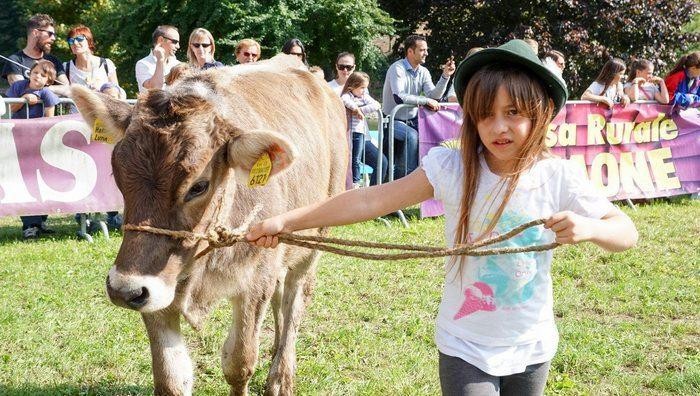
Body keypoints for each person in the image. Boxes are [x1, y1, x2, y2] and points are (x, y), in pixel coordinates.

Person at [246, 39, 638, 395]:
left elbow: (626, 232)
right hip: (465, 345)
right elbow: (368, 200)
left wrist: (589, 228)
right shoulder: (451, 168)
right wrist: (286, 221)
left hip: (532, 346)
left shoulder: (559, 175)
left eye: (513, 112)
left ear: (541, 112)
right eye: (485, 114)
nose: (498, 127)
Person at [382, 35, 455, 179]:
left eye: (426, 50)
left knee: (432, 138)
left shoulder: (423, 71)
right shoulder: (397, 68)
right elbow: (399, 97)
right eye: (422, 50)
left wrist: (445, 76)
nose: (426, 53)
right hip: (392, 120)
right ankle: (402, 183)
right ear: (410, 51)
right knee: (412, 137)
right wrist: (425, 101)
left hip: (412, 120)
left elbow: (434, 96)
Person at [5, 60, 60, 240]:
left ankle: (40, 220)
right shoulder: (19, 86)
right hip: (18, 142)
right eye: (35, 72)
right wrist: (24, 100)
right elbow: (9, 108)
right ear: (30, 72)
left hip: (40, 145)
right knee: (26, 182)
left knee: (43, 182)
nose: (37, 76)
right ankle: (30, 224)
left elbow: (49, 119)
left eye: (43, 75)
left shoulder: (47, 93)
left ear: (48, 81)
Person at [1, 14, 69, 95]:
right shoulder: (15, 60)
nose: (53, 38)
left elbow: (67, 89)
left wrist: (45, 89)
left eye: (54, 35)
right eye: (50, 34)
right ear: (36, 33)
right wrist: (52, 90)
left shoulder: (53, 61)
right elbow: (22, 89)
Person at [341, 72, 387, 187]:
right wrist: (355, 110)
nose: (364, 91)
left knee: (361, 158)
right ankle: (353, 182)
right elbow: (345, 100)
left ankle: (363, 186)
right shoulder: (347, 96)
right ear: (352, 86)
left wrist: (360, 110)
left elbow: (376, 105)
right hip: (348, 134)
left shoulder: (364, 96)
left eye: (365, 88)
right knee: (352, 158)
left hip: (361, 133)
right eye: (362, 88)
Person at [64, 25, 125, 99]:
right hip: (77, 110)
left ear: (89, 41)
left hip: (103, 109)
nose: (75, 43)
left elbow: (117, 93)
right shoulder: (66, 67)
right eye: (71, 40)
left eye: (79, 39)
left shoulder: (106, 64)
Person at [135, 25, 181, 93]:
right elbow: (156, 87)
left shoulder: (178, 64)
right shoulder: (142, 64)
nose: (178, 46)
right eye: (174, 42)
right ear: (161, 40)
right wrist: (160, 60)